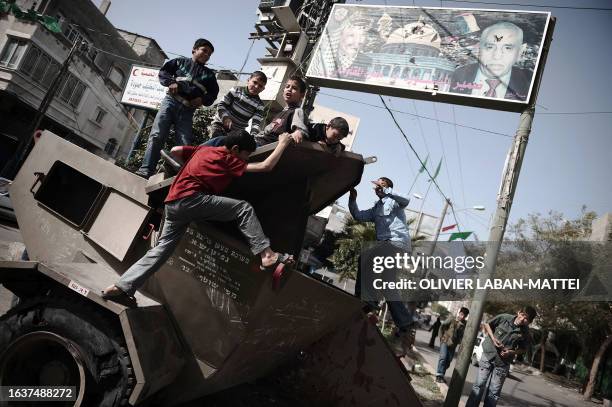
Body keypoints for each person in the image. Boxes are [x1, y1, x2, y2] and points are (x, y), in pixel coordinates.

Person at [102, 131, 294, 301]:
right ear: (235, 149)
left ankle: (122, 286)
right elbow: (265, 167)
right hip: (192, 199)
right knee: (243, 209)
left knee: (161, 251)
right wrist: (283, 143)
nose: (246, 159)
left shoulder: (203, 151)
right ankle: (267, 254)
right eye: (246, 155)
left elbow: (176, 150)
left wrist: (196, 168)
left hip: (173, 203)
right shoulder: (227, 157)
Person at [348, 177, 416, 354]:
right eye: (377, 186)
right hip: (386, 246)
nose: (378, 188)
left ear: (388, 188)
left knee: (367, 256)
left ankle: (367, 303)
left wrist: (386, 190)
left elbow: (406, 199)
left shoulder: (394, 202)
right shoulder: (376, 208)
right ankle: (406, 325)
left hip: (396, 244)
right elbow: (358, 215)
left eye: (382, 185)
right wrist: (352, 198)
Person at [135, 38, 220, 178]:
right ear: (194, 49)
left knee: (184, 144)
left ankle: (176, 177)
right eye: (204, 50)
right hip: (170, 102)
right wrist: (171, 82)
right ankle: (146, 170)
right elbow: (164, 72)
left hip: (187, 111)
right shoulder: (179, 62)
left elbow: (213, 94)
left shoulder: (210, 75)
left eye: (209, 54)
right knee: (157, 136)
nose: (206, 55)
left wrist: (203, 99)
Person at [465, 306, 537, 407]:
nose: (523, 320)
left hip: (503, 363)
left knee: (494, 393)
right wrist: (493, 339)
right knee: (479, 385)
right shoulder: (504, 317)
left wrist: (511, 352)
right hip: (488, 355)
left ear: (529, 322)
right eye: (522, 316)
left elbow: (523, 349)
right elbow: (488, 324)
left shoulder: (525, 332)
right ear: (519, 312)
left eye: (527, 319)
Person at [450, 22, 532, 101]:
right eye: (489, 47)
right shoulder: (455, 76)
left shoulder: (530, 83)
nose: (496, 56)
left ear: (520, 52)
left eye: (508, 48)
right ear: (479, 48)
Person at [204, 71, 267, 146]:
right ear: (248, 80)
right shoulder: (236, 90)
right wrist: (225, 117)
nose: (256, 87)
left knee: (227, 151)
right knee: (215, 144)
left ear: (263, 89)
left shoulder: (260, 105)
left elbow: (255, 123)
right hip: (219, 124)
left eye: (260, 86)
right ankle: (196, 151)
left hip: (236, 133)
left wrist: (253, 136)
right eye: (255, 82)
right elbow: (222, 105)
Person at [255, 75, 309, 147]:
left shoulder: (297, 111)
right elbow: (267, 131)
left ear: (302, 95)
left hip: (266, 147)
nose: (289, 89)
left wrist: (299, 131)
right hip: (258, 142)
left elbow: (300, 128)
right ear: (283, 91)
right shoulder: (281, 113)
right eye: (287, 86)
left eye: (294, 88)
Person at [435, 307, 469, 383]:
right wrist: (441, 337)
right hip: (445, 342)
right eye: (461, 314)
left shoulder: (465, 325)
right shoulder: (451, 319)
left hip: (453, 345)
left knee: (448, 361)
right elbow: (442, 326)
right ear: (459, 313)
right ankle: (439, 375)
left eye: (464, 316)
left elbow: (464, 335)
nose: (462, 317)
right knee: (443, 358)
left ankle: (442, 375)